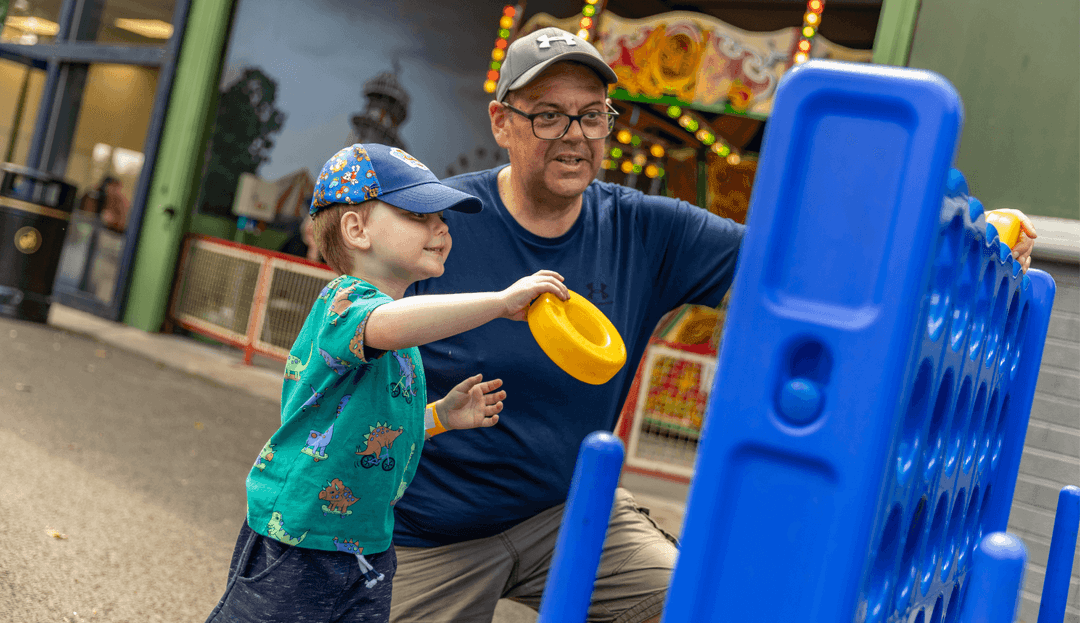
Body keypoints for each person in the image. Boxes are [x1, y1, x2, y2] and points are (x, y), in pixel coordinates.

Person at [387, 27, 1039, 623]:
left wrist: (959, 238)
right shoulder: (445, 221)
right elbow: (352, 334)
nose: (576, 134)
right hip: (434, 528)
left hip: (569, 507)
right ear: (502, 122)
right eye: (550, 115)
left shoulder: (645, 228)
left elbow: (801, 258)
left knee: (697, 602)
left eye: (592, 115)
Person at [204, 143, 568, 623]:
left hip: (370, 543)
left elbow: (374, 422)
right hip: (299, 536)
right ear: (356, 229)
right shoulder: (344, 306)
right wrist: (500, 302)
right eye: (418, 215)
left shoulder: (398, 336)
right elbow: (388, 324)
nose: (441, 228)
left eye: (443, 217)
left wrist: (439, 416)